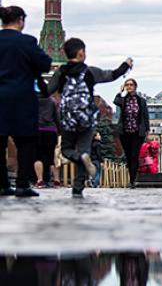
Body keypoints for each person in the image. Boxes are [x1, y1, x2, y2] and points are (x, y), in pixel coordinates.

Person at [48, 38, 131, 197]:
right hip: (87, 117)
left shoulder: (61, 72)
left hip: (68, 117)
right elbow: (112, 75)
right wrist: (126, 65)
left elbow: (48, 90)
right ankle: (78, 189)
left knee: (66, 150)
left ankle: (79, 158)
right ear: (81, 53)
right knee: (84, 150)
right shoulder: (90, 72)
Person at [0, 6, 52, 197]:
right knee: (26, 142)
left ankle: (2, 184)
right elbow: (45, 63)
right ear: (20, 20)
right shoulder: (26, 41)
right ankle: (22, 184)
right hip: (21, 99)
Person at [113, 78, 150, 188]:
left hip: (137, 133)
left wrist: (147, 130)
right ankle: (132, 177)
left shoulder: (141, 101)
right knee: (128, 156)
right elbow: (115, 101)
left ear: (135, 87)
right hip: (125, 132)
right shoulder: (123, 100)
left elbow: (145, 115)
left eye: (131, 85)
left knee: (134, 155)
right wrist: (119, 91)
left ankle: (132, 180)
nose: (129, 87)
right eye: (127, 85)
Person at [34, 82, 60, 188]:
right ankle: (57, 180)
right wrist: (60, 131)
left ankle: (40, 180)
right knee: (52, 156)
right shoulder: (52, 101)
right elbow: (57, 117)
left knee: (37, 156)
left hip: (37, 130)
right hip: (50, 130)